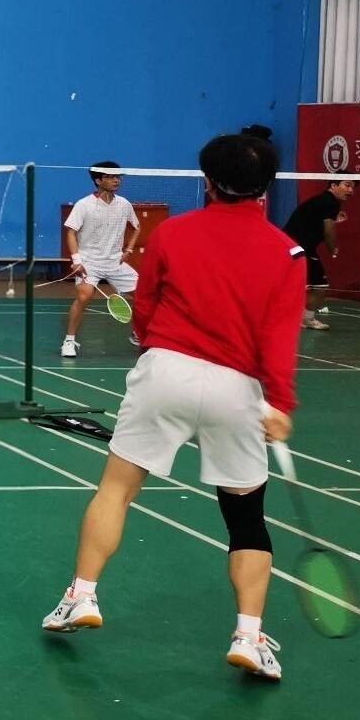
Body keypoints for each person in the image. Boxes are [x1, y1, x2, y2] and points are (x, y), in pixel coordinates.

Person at [39, 134, 305, 682]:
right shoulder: (288, 253)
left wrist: (150, 345)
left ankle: (81, 596)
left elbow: (148, 304)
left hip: (166, 371)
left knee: (117, 489)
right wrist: (280, 402)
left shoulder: (173, 233)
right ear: (266, 188)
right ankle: (249, 636)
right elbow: (281, 336)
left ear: (208, 182)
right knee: (246, 519)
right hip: (237, 389)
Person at [61, 162, 142, 359]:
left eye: (118, 177)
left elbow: (137, 227)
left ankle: (139, 333)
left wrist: (129, 249)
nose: (117, 180)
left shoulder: (124, 204)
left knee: (145, 295)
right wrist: (77, 260)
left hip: (115, 262)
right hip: (89, 262)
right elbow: (71, 232)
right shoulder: (84, 205)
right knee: (84, 296)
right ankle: (69, 341)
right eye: (111, 177)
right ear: (98, 180)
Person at [282, 179, 354, 332]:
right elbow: (328, 230)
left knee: (291, 284)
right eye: (347, 185)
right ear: (333, 186)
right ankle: (306, 319)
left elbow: (316, 221)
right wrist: (333, 249)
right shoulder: (330, 202)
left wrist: (334, 218)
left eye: (352, 187)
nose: (350, 190)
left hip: (291, 246)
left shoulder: (325, 201)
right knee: (320, 286)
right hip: (299, 247)